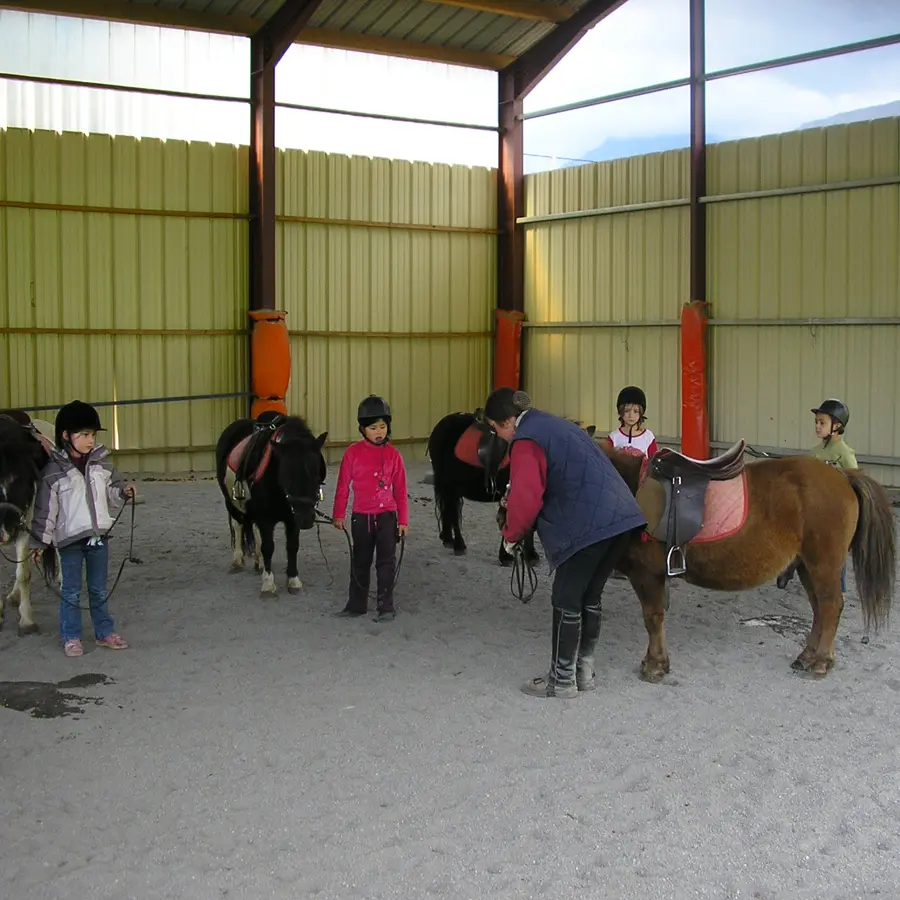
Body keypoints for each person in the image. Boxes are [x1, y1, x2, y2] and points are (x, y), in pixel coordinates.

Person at [486, 388, 647, 698]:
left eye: (495, 428)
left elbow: (526, 497)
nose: (499, 436)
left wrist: (511, 535)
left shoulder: (526, 440)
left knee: (566, 597)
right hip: (622, 519)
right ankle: (583, 672)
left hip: (587, 526)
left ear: (506, 422)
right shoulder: (557, 425)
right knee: (590, 596)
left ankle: (561, 680)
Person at [29, 400, 135, 657]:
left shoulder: (103, 465)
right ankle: (71, 636)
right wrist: (39, 543)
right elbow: (45, 512)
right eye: (85, 434)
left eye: (93, 435)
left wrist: (124, 492)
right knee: (71, 592)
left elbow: (112, 491)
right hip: (70, 542)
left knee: (99, 589)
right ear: (66, 436)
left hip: (98, 538)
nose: (91, 440)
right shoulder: (53, 473)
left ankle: (104, 632)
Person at [332, 395, 409, 623]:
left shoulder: (394, 455)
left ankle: (386, 607)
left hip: (387, 517)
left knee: (386, 563)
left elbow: (401, 490)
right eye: (373, 428)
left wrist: (403, 520)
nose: (379, 432)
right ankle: (356, 605)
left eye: (383, 427)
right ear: (363, 429)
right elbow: (343, 486)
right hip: (361, 517)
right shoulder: (352, 453)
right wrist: (338, 514)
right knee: (360, 561)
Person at [777, 398, 857, 591]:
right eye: (816, 422)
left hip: (834, 511)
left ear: (836, 426)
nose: (817, 426)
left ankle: (838, 588)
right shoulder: (815, 452)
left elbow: (855, 482)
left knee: (835, 550)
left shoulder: (844, 453)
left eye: (822, 422)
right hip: (814, 508)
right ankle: (794, 565)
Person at [607, 386, 659, 459]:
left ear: (641, 412)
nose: (631, 415)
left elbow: (654, 462)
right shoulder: (614, 437)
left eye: (636, 411)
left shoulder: (648, 437)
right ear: (620, 411)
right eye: (627, 411)